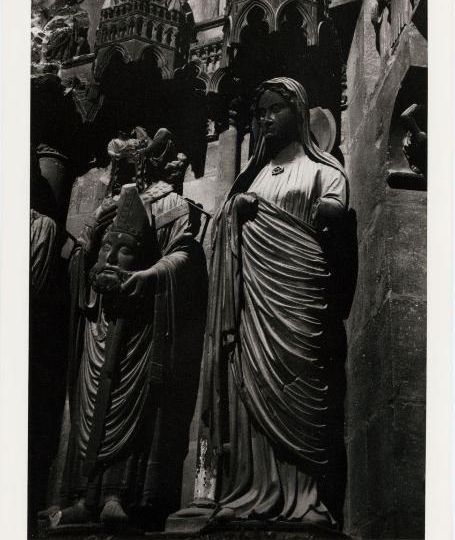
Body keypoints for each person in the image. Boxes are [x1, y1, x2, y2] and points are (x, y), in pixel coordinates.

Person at [190, 78, 348, 528]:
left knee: (299, 381)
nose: (265, 118)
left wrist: (330, 210)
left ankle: (307, 496)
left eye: (276, 108)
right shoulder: (253, 176)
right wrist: (233, 213)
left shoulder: (324, 169)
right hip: (252, 301)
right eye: (261, 111)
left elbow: (335, 206)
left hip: (297, 295)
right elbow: (220, 231)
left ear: (298, 112)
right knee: (249, 385)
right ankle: (248, 490)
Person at [46, 149, 207, 530]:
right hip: (100, 324)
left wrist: (149, 276)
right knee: (89, 404)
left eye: (137, 161)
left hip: (139, 325)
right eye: (123, 162)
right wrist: (93, 251)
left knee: (131, 402)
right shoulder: (109, 205)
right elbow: (82, 257)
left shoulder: (172, 204)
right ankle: (83, 496)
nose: (129, 168)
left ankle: (120, 494)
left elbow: (184, 253)